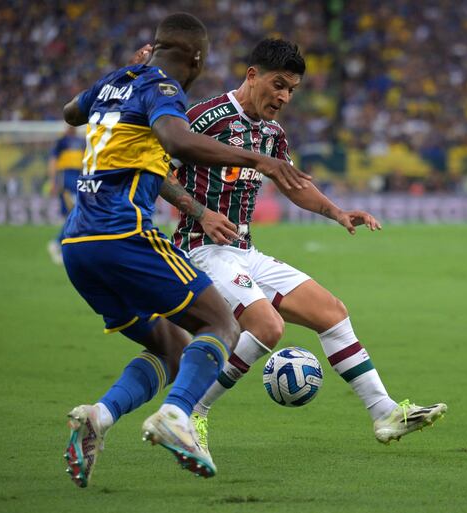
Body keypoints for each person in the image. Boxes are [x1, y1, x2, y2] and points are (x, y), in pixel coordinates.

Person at [59, 15, 311, 487]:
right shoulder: (164, 88)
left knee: (172, 345)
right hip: (124, 235)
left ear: (152, 48)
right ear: (195, 59)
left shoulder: (119, 80)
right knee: (221, 324)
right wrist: (260, 159)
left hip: (78, 245)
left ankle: (98, 416)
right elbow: (178, 141)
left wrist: (125, 75)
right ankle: (177, 414)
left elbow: (72, 112)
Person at [165, 39, 448, 455]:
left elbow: (293, 186)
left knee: (332, 314)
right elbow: (155, 174)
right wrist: (200, 211)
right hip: (202, 249)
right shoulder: (205, 118)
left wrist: (337, 212)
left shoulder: (273, 134)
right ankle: (193, 413)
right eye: (278, 84)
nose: (283, 96)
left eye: (292, 89)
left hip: (244, 251)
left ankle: (384, 412)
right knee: (267, 327)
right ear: (252, 75)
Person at [46, 125, 84, 264]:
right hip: (67, 180)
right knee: (76, 211)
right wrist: (53, 181)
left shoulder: (82, 141)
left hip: (78, 179)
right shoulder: (61, 141)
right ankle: (58, 243)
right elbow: (53, 161)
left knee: (76, 213)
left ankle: (60, 244)